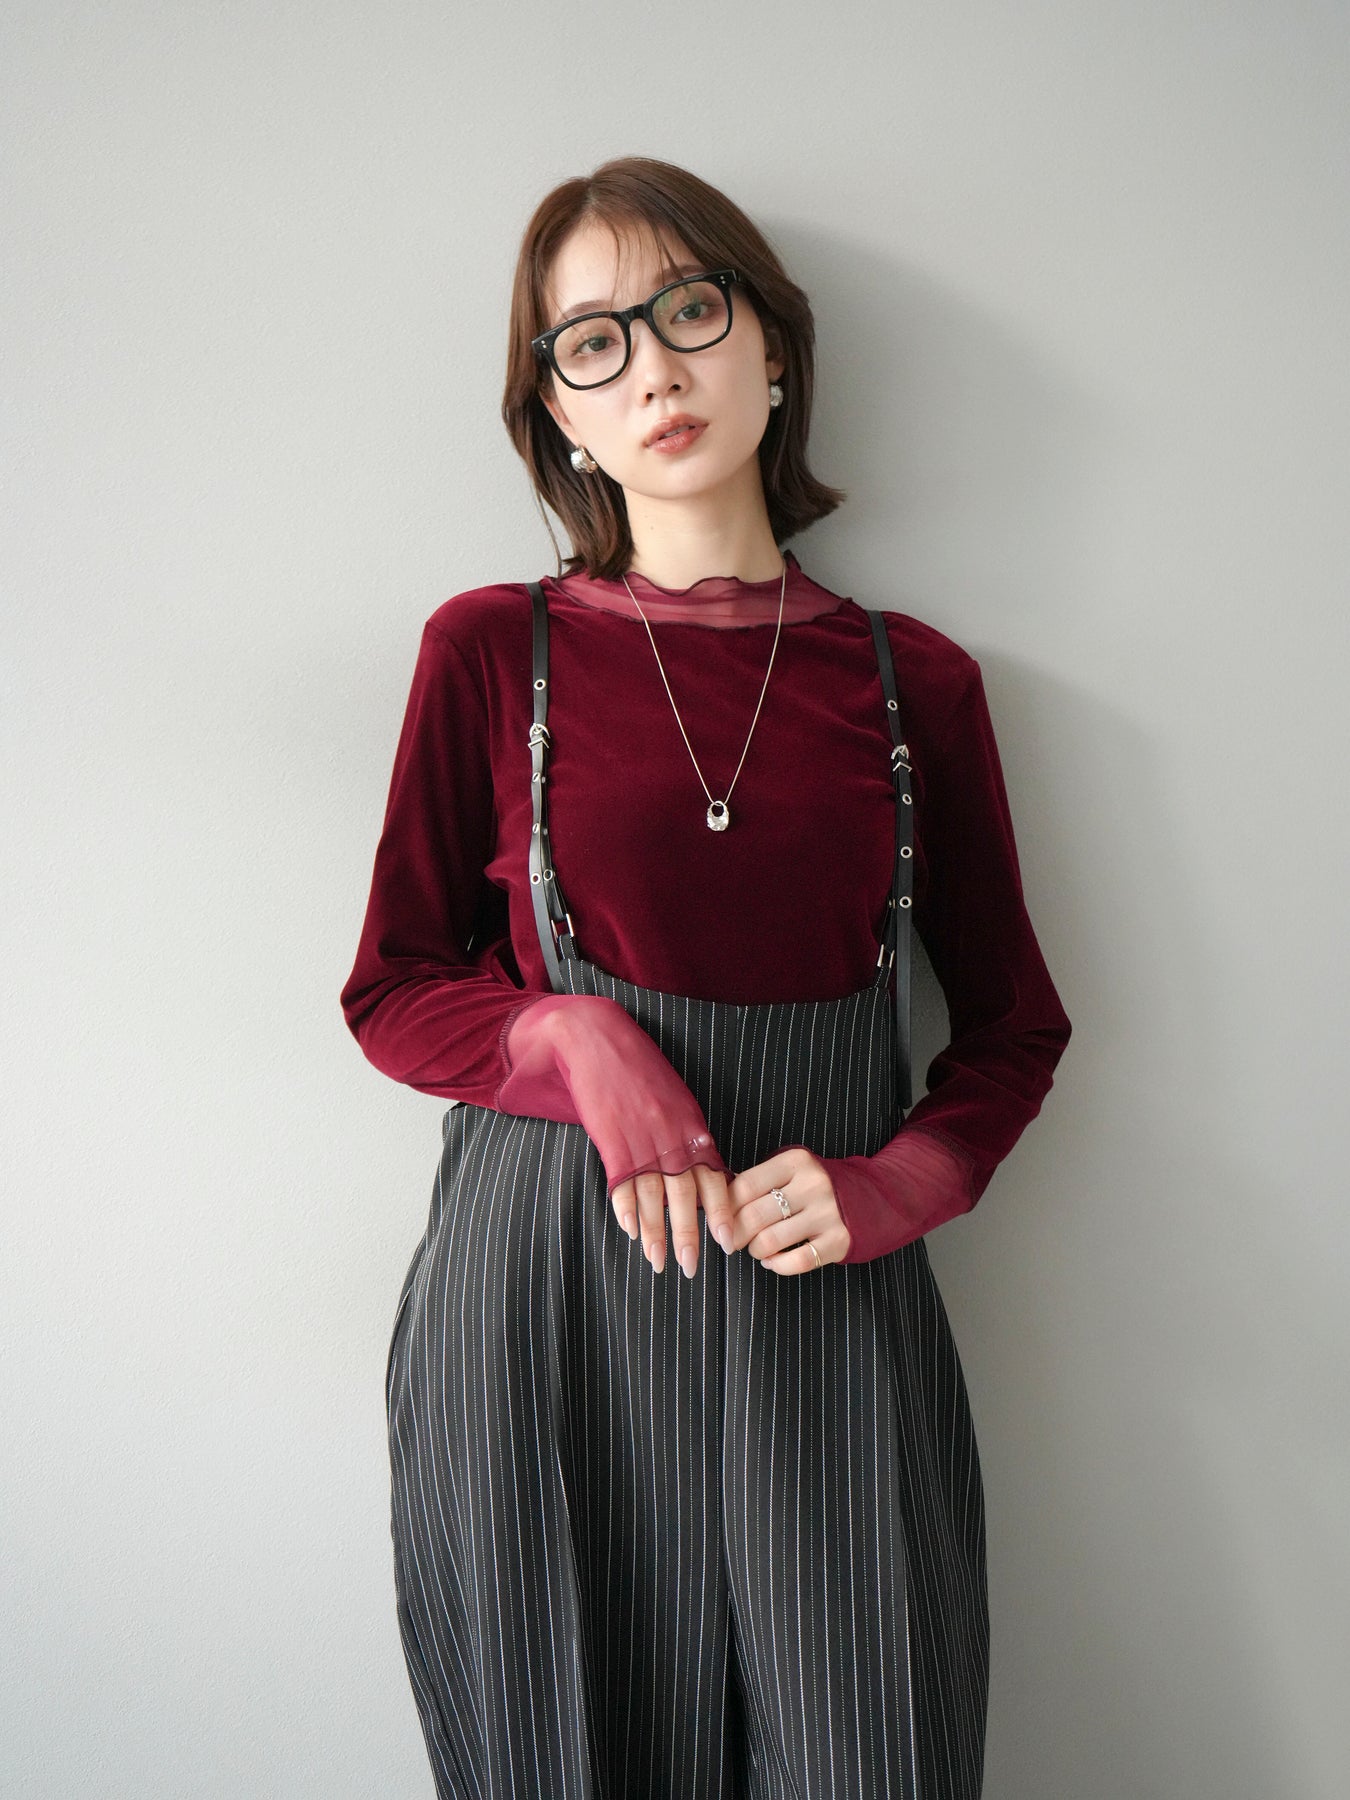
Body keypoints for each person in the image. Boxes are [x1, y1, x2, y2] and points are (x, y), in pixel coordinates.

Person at [341, 155, 1071, 1800]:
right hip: (544, 1315)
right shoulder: (493, 650)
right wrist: (566, 1036)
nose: (652, 370)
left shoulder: (913, 680)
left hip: (828, 1309)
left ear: (773, 349)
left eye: (688, 310)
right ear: (558, 415)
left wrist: (904, 1184)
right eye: (590, 342)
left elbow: (1012, 1027)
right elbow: (392, 985)